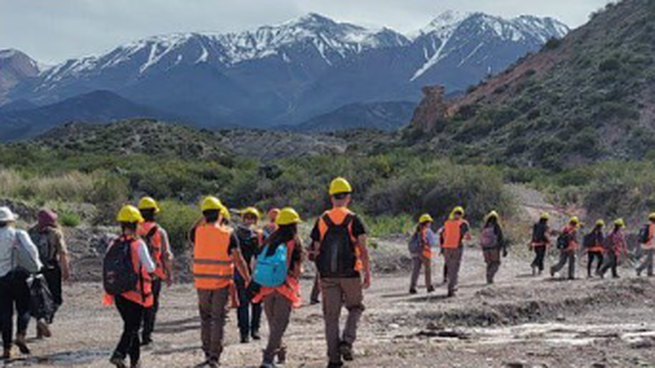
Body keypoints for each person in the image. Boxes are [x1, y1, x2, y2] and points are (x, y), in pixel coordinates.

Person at [309, 177, 371, 368]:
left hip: (327, 275)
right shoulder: (355, 219)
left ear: (331, 197)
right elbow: (363, 249)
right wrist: (367, 273)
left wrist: (320, 275)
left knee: (331, 317)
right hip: (351, 274)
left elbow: (315, 251)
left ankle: (334, 360)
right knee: (356, 307)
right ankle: (347, 341)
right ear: (348, 197)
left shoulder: (322, 220)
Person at [189, 196, 251, 368]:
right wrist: (247, 279)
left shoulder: (198, 232)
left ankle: (207, 351)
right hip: (221, 283)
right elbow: (239, 260)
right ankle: (214, 356)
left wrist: (204, 216)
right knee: (217, 319)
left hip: (201, 284)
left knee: (205, 319)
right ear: (220, 214)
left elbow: (193, 230)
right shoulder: (228, 233)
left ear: (204, 214)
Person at [252, 208, 304, 368]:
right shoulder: (294, 242)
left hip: (266, 287)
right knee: (280, 325)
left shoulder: (269, 240)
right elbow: (296, 269)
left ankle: (280, 355)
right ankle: (268, 359)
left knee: (275, 325)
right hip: (285, 288)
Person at [106, 205, 156, 368]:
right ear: (136, 224)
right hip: (136, 294)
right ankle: (118, 354)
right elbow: (150, 268)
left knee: (131, 327)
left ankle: (135, 362)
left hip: (119, 293)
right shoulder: (138, 244)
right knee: (133, 327)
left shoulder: (113, 243)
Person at [0, 207, 42, 360]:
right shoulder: (18, 233)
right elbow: (32, 252)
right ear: (10, 220)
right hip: (18, 275)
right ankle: (21, 335)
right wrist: (37, 267)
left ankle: (6, 348)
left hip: (0, 279)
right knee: (24, 307)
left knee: (4, 314)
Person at [136, 197, 174, 347]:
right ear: (154, 213)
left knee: (137, 303)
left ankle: (134, 332)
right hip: (154, 275)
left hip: (136, 274)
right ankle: (147, 335)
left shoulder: (134, 229)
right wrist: (169, 274)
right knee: (151, 304)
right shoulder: (160, 231)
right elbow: (167, 255)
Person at [28, 208, 71, 338]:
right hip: (51, 269)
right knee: (56, 299)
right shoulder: (55, 233)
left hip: (34, 269)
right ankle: (45, 320)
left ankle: (40, 323)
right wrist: (65, 271)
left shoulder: (30, 232)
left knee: (38, 298)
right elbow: (63, 253)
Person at [235, 207, 264, 343]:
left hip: (250, 273)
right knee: (247, 303)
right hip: (244, 273)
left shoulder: (258, 235)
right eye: (248, 217)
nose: (249, 220)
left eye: (252, 218)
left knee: (252, 303)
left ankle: (251, 331)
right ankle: (247, 332)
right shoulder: (236, 234)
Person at [440, 206, 471, 297]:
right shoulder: (463, 223)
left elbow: (443, 236)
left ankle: (453, 285)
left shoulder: (446, 223)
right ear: (462, 214)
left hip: (446, 248)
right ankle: (451, 289)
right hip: (456, 247)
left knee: (450, 269)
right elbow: (468, 237)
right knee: (455, 269)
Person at [409, 214, 437, 294]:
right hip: (424, 252)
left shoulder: (416, 231)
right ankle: (429, 287)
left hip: (415, 253)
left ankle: (412, 287)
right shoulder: (427, 230)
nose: (430, 223)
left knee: (415, 270)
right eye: (429, 222)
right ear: (426, 222)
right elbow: (431, 242)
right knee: (427, 270)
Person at [480, 211, 506, 285]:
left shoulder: (485, 227)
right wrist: (504, 249)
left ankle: (488, 277)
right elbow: (501, 238)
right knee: (496, 263)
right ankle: (490, 276)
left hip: (485, 248)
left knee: (489, 263)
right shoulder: (496, 226)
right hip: (494, 248)